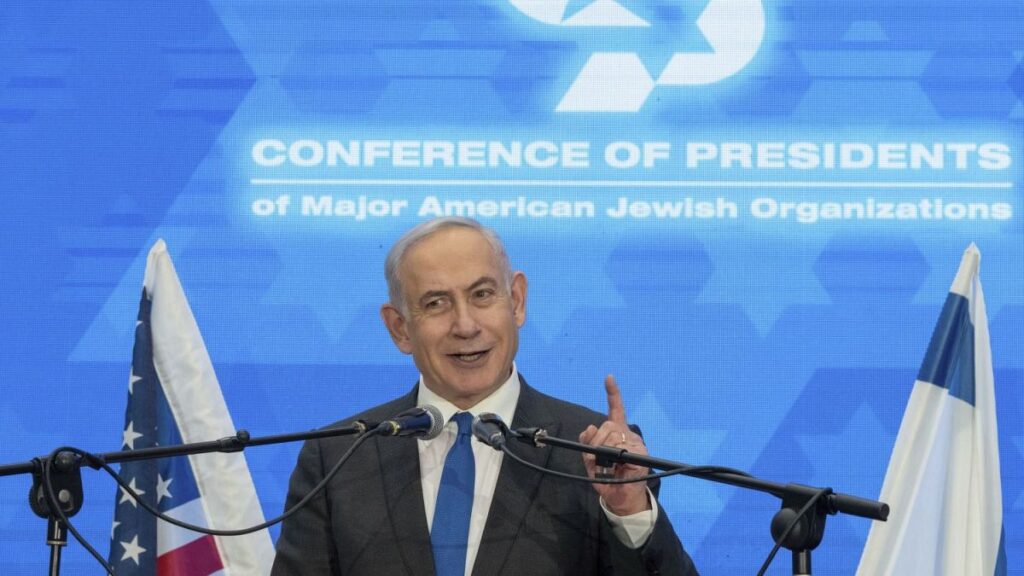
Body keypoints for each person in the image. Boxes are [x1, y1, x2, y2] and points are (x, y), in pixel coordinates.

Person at [271, 217, 698, 575]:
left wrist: (629, 513)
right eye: (436, 303)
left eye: (481, 295)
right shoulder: (339, 458)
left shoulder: (594, 452)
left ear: (516, 301)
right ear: (399, 328)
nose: (465, 325)